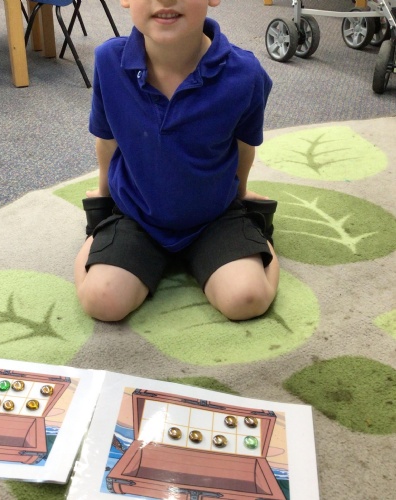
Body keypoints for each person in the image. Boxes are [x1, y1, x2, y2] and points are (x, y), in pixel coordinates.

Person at [74, 0, 279, 322]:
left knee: (247, 298)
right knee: (101, 300)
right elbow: (108, 140)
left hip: (214, 216)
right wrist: (103, 198)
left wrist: (240, 196)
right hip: (137, 214)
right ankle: (104, 240)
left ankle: (255, 233)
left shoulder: (245, 73)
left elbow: (243, 146)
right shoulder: (108, 61)